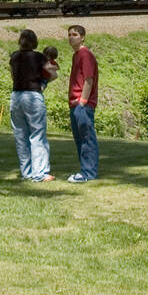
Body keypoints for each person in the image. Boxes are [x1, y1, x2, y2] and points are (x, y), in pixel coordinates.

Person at [8, 29, 59, 182]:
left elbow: (13, 76)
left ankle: (26, 172)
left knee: (20, 136)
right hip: (32, 96)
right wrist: (45, 82)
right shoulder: (39, 57)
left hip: (16, 96)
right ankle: (40, 173)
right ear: (35, 42)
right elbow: (53, 73)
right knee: (37, 135)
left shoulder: (14, 57)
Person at [66, 24, 99, 182]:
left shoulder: (86, 55)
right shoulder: (76, 55)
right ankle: (84, 171)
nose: (71, 37)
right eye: (69, 35)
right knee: (79, 140)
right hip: (75, 103)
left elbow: (88, 79)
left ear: (82, 37)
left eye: (75, 34)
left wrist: (83, 102)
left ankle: (88, 173)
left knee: (87, 139)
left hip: (82, 105)